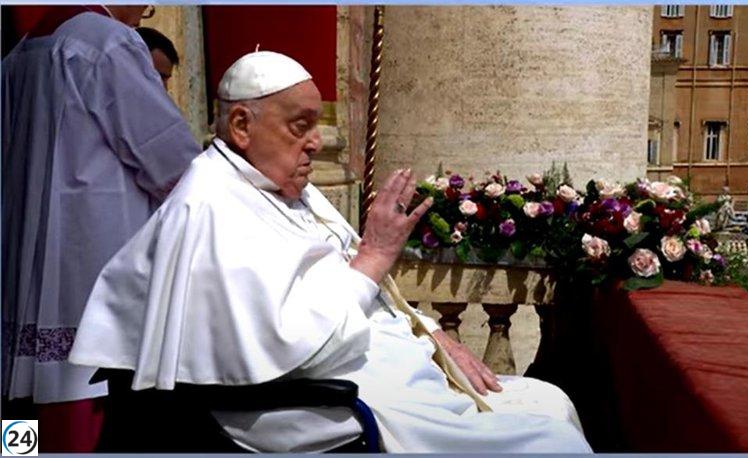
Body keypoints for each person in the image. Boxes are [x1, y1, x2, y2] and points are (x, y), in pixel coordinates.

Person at [69, 51, 591, 453]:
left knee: (552, 400)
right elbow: (288, 343)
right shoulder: (209, 207)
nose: (316, 142)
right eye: (300, 126)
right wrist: (375, 255)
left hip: (373, 371)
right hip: (311, 401)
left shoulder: (282, 187)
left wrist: (433, 337)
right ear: (242, 127)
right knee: (550, 443)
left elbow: (360, 295)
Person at [2, 4, 200, 450]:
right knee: (86, 384)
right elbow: (166, 155)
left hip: (24, 251)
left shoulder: (22, 52)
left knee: (27, 395)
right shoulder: (108, 42)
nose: (147, 10)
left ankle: (16, 449)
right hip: (91, 250)